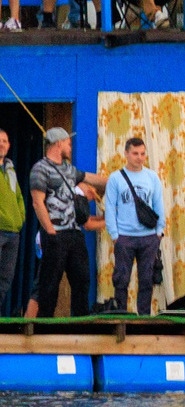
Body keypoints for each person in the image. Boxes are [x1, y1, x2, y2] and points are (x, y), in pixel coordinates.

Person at [28, 127, 93, 317]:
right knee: (50, 284)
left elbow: (89, 177)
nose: (70, 146)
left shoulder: (69, 169)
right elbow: (37, 202)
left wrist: (116, 179)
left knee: (82, 279)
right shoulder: (40, 168)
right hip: (55, 233)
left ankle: (81, 321)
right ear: (58, 143)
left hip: (74, 233)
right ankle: (45, 324)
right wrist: (50, 232)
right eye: (68, 142)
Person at [99, 135, 166, 315]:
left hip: (148, 236)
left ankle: (144, 316)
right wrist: (114, 235)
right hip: (125, 237)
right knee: (121, 279)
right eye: (135, 153)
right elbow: (111, 208)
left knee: (146, 279)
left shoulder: (152, 177)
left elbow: (159, 204)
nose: (140, 157)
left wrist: (159, 231)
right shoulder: (116, 178)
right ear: (126, 154)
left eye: (143, 153)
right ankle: (121, 314)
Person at [0, 126, 24, 309]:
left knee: (5, 279)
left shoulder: (10, 170)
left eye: (5, 141)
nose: (2, 144)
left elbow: (19, 198)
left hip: (13, 233)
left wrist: (20, 218)